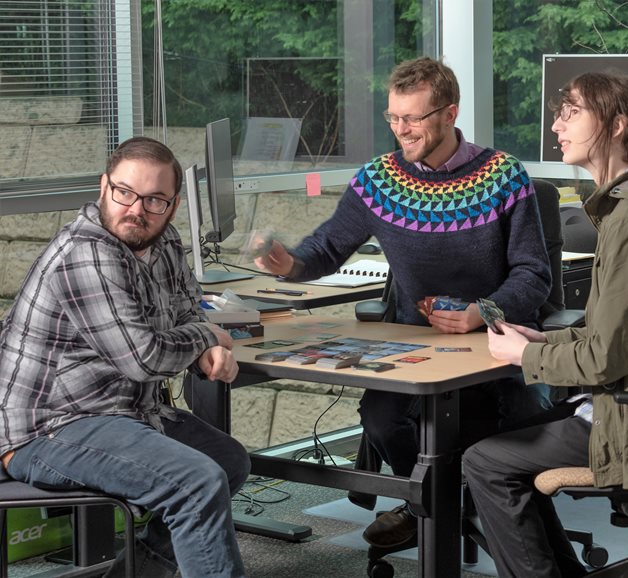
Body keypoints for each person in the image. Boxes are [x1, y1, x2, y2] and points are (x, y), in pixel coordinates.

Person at [254, 56, 552, 548]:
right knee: (381, 419)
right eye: (393, 117)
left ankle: (454, 505)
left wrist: (483, 312)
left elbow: (534, 275)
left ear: (449, 113)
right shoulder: (379, 180)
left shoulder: (504, 176)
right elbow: (328, 246)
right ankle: (437, 504)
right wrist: (290, 264)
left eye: (412, 118)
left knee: (514, 419)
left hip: (495, 344)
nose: (401, 129)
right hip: (415, 345)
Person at [462, 71, 628, 578]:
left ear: (617, 125)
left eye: (572, 112)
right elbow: (619, 332)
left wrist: (523, 356)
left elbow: (607, 357)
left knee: (483, 462)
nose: (557, 124)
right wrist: (545, 340)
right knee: (502, 435)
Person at [0, 137, 251, 578]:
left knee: (228, 461)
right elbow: (145, 358)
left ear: (172, 206)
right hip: (46, 428)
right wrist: (207, 335)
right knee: (196, 483)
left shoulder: (166, 242)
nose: (136, 209)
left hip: (125, 412)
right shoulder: (87, 253)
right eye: (125, 192)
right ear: (104, 187)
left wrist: (206, 350)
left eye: (155, 199)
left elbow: (188, 311)